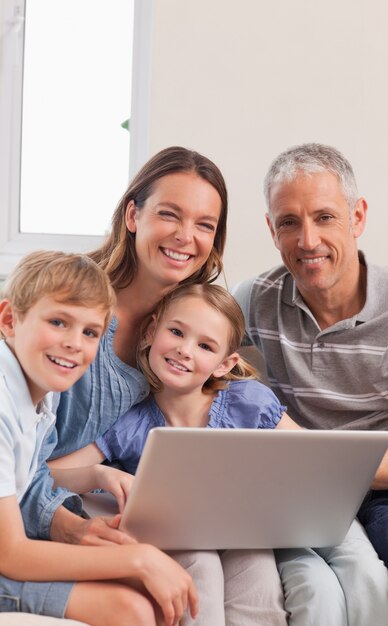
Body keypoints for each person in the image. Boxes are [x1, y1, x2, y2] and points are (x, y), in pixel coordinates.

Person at [233, 142, 388, 625]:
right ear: (271, 230)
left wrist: (310, 457)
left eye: (325, 217)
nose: (307, 240)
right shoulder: (251, 301)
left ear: (358, 217)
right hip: (297, 491)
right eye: (289, 222)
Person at [49, 282, 293, 626]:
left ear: (225, 364)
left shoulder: (249, 402)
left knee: (261, 577)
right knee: (200, 569)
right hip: (175, 537)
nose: (184, 350)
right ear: (151, 332)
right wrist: (99, 473)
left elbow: (309, 457)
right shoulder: (130, 421)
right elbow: (51, 473)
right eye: (176, 332)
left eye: (205, 345)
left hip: (242, 533)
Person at [20, 146, 229, 545]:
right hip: (34, 502)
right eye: (169, 214)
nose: (186, 237)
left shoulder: (192, 330)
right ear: (133, 216)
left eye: (205, 225)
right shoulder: (67, 302)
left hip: (111, 505)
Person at [0, 250, 198, 626]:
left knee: (153, 596)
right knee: (133, 609)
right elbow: (10, 553)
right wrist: (138, 559)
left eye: (90, 332)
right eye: (58, 322)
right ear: (10, 320)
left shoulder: (44, 387)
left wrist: (74, 525)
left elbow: (31, 475)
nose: (75, 343)